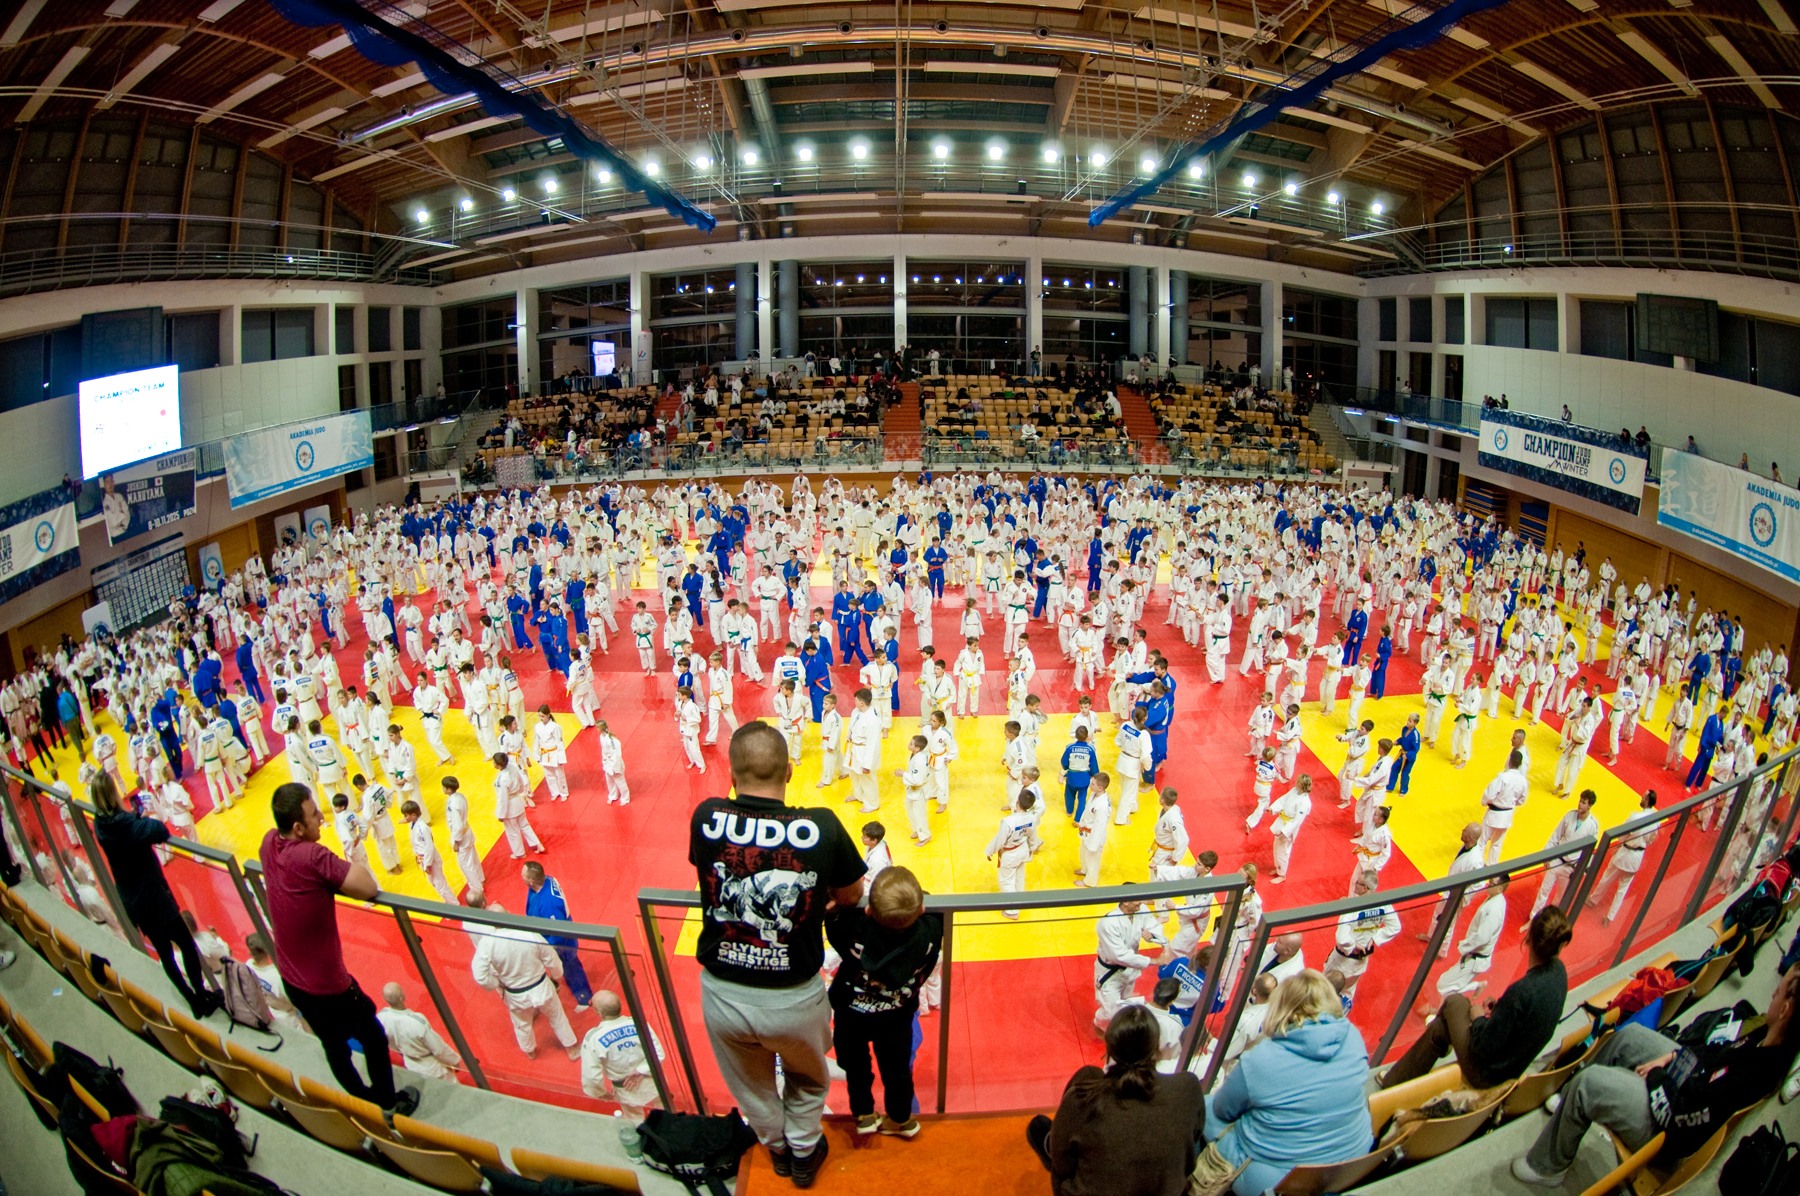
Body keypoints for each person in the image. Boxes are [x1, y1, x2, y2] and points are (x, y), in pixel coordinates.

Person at [688, 722, 866, 1187]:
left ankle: (776, 1149)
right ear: (789, 770)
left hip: (723, 991)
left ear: (731, 773)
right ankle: (804, 1152)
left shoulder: (706, 815)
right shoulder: (821, 825)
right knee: (808, 1079)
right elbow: (851, 894)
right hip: (792, 993)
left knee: (751, 1086)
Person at [1513, 964, 1799, 1187]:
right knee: (1631, 1037)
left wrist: (1658, 1075)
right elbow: (1712, 1054)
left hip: (1668, 1130)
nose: (1773, 993)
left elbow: (1683, 1118)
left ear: (1785, 1009)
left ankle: (1546, 1167)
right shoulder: (1764, 1035)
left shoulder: (1755, 1073)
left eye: (1780, 989)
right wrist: (1674, 1057)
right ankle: (1568, 1102)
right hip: (1686, 1084)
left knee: (1589, 1084)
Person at [259, 782, 418, 1114]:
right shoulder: (311, 855)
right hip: (327, 984)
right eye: (314, 813)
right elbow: (366, 885)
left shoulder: (269, 844)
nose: (321, 817)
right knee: (373, 1036)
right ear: (299, 828)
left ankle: (361, 1100)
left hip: (292, 975)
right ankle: (388, 1104)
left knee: (333, 1045)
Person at [1202, 970, 1372, 1196]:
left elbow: (1223, 1109)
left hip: (1283, 1179)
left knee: (1202, 1107)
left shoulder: (1261, 1058)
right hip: (1351, 1160)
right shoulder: (1352, 1036)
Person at [1380, 905, 1573, 1089]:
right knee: (1440, 1028)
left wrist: (1479, 1017)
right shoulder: (1558, 974)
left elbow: (1483, 1046)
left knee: (1454, 1002)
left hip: (1488, 1074)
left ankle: (1396, 1080)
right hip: (1512, 1067)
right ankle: (1397, 1079)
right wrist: (1501, 1010)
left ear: (1529, 937)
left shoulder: (1522, 991)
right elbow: (1524, 1020)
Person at [1025, 1003, 1207, 1196]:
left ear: (1110, 1048)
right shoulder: (1188, 1088)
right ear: (1155, 1049)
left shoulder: (1082, 1097)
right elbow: (1191, 1141)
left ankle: (1052, 1140)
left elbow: (1062, 1165)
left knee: (1082, 1081)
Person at [825, 866, 943, 1138]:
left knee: (855, 1067)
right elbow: (936, 918)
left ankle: (864, 1114)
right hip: (896, 1017)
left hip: (851, 1013)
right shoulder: (929, 933)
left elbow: (835, 920)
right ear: (921, 911)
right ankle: (901, 1120)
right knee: (898, 1071)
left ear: (868, 910)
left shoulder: (851, 928)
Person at [89, 774, 219, 1018]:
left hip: (133, 899)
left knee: (165, 953)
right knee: (186, 944)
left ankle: (191, 998)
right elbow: (159, 830)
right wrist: (137, 815)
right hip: (152, 896)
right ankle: (200, 994)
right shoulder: (126, 826)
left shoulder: (101, 824)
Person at [465, 896, 579, 1060]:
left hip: (515, 993)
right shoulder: (528, 933)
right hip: (541, 987)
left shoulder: (487, 944)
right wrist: (557, 978)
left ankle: (530, 1051)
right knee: (556, 1016)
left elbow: (480, 975)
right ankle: (571, 1049)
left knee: (522, 1024)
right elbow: (551, 959)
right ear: (509, 915)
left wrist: (495, 984)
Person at [580, 990, 666, 1123]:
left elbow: (591, 1076)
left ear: (599, 1013)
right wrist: (640, 1072)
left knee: (635, 1120)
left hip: (626, 1089)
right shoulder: (639, 1024)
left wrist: (601, 1093)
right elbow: (658, 1053)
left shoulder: (594, 1039)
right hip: (653, 1082)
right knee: (663, 1112)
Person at [522, 861, 594, 1012]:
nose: (521, 876)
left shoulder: (549, 904)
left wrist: (550, 948)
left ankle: (584, 997)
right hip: (545, 934)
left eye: (524, 875)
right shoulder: (543, 882)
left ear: (531, 880)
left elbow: (558, 930)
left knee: (570, 966)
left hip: (560, 942)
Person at [375, 983, 463, 1082]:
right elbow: (438, 1048)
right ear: (401, 997)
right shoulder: (416, 1022)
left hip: (411, 1064)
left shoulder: (381, 1018)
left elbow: (388, 1042)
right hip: (432, 1067)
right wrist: (454, 1061)